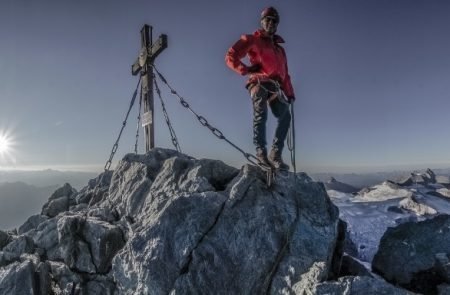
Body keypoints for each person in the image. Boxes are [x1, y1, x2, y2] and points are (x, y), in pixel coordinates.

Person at [225, 6, 295, 170]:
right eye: (267, 20)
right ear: (262, 22)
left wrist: (290, 93)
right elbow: (231, 56)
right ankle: (261, 153)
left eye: (274, 21)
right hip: (258, 82)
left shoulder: (280, 50)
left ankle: (275, 154)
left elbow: (285, 73)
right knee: (261, 113)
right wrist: (246, 69)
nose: (270, 23)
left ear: (277, 24)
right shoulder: (252, 40)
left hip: (275, 85)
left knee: (285, 116)